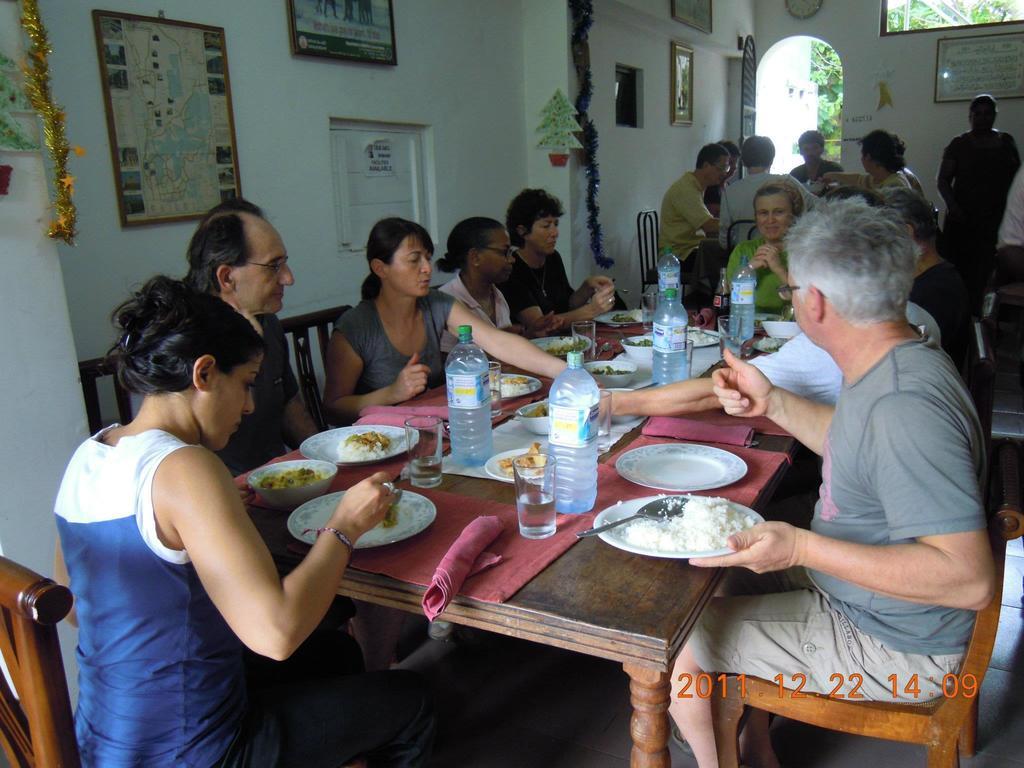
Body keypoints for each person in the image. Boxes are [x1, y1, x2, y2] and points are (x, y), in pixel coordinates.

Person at [54, 276, 435, 767]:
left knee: (336, 658)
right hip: (193, 750)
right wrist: (344, 527)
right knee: (413, 698)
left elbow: (71, 603)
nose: (251, 405)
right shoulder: (186, 467)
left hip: (105, 743)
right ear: (204, 373)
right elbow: (277, 635)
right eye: (246, 383)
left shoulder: (91, 454)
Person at [667, 199, 995, 768]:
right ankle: (756, 748)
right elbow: (856, 443)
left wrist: (799, 546)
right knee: (716, 580)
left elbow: (968, 581)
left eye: (791, 290)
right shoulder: (897, 357)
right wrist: (772, 401)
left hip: (900, 647)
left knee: (681, 647)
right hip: (876, 603)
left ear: (812, 303)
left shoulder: (902, 405)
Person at [323, 217, 565, 424]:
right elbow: (333, 408)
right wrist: (390, 394)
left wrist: (567, 372)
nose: (427, 268)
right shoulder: (355, 327)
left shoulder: (436, 304)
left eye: (428, 258)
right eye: (414, 259)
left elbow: (499, 342)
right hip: (381, 440)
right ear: (380, 268)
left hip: (435, 427)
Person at [184, 198, 318, 475]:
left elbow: (288, 406)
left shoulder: (268, 323)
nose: (288, 278)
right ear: (226, 278)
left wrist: (327, 461)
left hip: (280, 480)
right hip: (226, 495)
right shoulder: (184, 346)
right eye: (274, 266)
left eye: (285, 264)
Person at [938, 94, 1021, 311]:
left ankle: (985, 314)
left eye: (988, 114)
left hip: (995, 217)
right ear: (970, 116)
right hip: (963, 219)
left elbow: (1015, 179)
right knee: (962, 268)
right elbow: (943, 181)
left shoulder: (1005, 142)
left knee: (989, 271)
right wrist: (954, 208)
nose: (983, 119)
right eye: (978, 114)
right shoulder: (959, 144)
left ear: (994, 116)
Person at [500, 188, 619, 332]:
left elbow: (568, 305)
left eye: (555, 224)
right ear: (522, 231)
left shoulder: (552, 257)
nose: (555, 233)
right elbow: (541, 325)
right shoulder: (512, 268)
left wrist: (587, 287)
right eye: (546, 226)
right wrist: (592, 310)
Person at [883, 187, 971, 369]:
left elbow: (909, 348)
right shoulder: (927, 277)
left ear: (907, 232)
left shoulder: (937, 291)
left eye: (882, 235)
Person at [435, 217, 533, 352]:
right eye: (504, 252)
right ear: (475, 257)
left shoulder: (497, 295)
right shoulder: (445, 302)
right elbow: (446, 363)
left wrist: (530, 334)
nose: (512, 259)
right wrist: (500, 342)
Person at [718, 135, 811, 251]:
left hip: (743, 255)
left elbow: (724, 238)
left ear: (744, 161)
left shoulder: (729, 191)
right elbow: (820, 207)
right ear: (772, 160)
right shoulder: (787, 182)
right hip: (785, 254)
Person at [725, 180, 805, 313]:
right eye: (763, 213)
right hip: (750, 327)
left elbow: (808, 304)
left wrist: (779, 269)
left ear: (793, 216)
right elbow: (728, 300)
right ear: (756, 218)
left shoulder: (806, 252)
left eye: (778, 212)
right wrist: (748, 270)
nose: (770, 220)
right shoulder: (743, 250)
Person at [660, 143, 729, 260]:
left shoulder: (697, 186)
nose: (724, 173)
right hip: (678, 254)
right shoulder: (685, 189)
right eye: (721, 168)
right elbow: (708, 225)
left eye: (726, 169)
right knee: (727, 255)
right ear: (706, 165)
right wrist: (734, 224)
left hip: (692, 248)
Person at [823, 129, 913, 192]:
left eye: (862, 155)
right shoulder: (879, 178)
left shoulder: (895, 186)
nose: (861, 159)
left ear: (869, 157)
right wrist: (831, 175)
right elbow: (857, 179)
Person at [703, 139, 740, 217]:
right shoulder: (710, 188)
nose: (734, 167)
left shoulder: (727, 185)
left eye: (736, 163)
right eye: (730, 163)